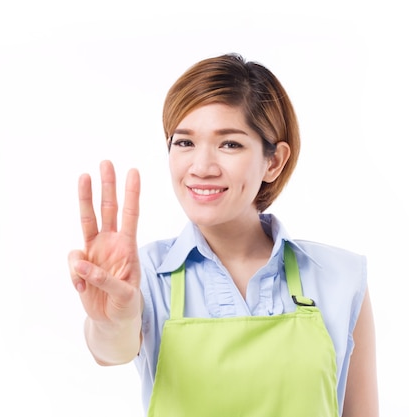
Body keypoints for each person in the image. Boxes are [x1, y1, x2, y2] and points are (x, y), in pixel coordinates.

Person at [67, 53, 378, 417]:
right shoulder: (146, 274)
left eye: (229, 144)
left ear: (273, 161)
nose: (201, 167)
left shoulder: (339, 276)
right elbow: (111, 350)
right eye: (184, 143)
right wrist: (111, 321)